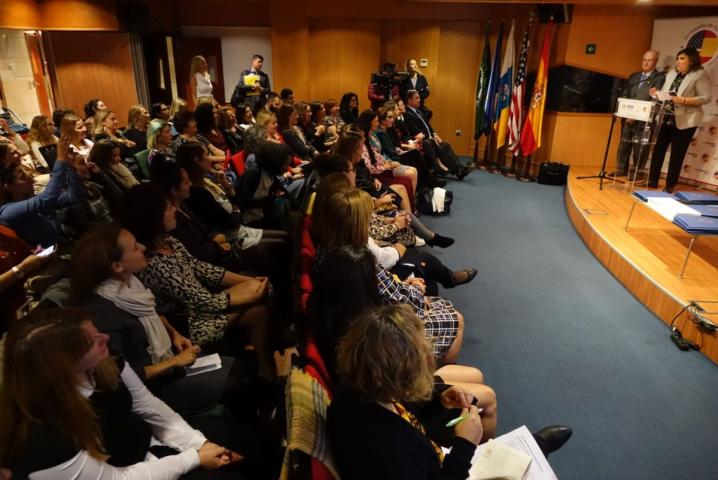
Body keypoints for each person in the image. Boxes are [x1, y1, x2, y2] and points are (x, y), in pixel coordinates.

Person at [0, 308, 243, 479]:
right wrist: (193, 458)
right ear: (63, 363)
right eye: (94, 341)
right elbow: (116, 478)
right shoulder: (41, 438)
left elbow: (148, 407)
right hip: (131, 471)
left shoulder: (106, 365)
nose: (105, 337)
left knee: (245, 443)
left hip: (148, 449)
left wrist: (199, 443)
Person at [70, 224, 236, 415]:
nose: (142, 247)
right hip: (153, 389)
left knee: (245, 369)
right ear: (116, 266)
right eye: (134, 247)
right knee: (241, 382)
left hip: (169, 363)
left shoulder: (130, 282)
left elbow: (152, 311)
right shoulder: (102, 313)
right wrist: (173, 363)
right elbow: (120, 376)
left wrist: (174, 334)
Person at [120, 183, 276, 381]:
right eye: (168, 207)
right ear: (152, 216)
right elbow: (201, 300)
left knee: (260, 292)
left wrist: (250, 281)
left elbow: (202, 269)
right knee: (259, 306)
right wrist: (252, 292)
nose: (175, 210)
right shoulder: (152, 262)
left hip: (200, 305)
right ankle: (267, 372)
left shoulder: (169, 242)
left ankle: (267, 365)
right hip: (188, 322)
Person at [327, 304, 483, 480]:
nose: (430, 358)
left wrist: (439, 398)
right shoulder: (388, 450)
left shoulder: (362, 383)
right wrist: (465, 446)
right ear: (402, 374)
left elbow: (404, 404)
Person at [648, 47, 712, 193]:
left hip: (686, 120)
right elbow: (666, 94)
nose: (678, 61)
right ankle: (652, 180)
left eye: (682, 58)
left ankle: (670, 185)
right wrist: (656, 95)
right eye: (678, 58)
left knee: (677, 153)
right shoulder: (671, 73)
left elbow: (706, 97)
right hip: (666, 116)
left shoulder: (699, 74)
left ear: (691, 61)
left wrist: (683, 100)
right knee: (658, 149)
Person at [0, 141, 84, 247]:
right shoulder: (8, 212)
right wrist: (61, 160)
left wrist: (70, 167)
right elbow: (47, 198)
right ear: (9, 187)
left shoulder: (32, 198)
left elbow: (74, 196)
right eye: (23, 177)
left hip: (63, 245)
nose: (32, 181)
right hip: (48, 260)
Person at [609, 50, 664, 180]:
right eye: (644, 59)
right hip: (627, 117)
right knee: (624, 143)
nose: (645, 62)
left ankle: (637, 172)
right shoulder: (634, 76)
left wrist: (637, 114)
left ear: (655, 62)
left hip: (644, 118)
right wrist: (624, 111)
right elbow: (625, 94)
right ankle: (621, 169)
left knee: (640, 146)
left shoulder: (660, 77)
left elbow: (654, 99)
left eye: (649, 60)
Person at [404, 90, 472, 180]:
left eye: (419, 97)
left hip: (429, 138)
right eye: (416, 98)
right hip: (422, 140)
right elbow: (415, 130)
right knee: (439, 147)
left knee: (446, 145)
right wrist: (430, 137)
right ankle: (457, 170)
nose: (419, 100)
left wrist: (434, 134)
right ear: (409, 100)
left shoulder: (418, 111)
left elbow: (428, 125)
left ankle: (459, 169)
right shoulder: (407, 114)